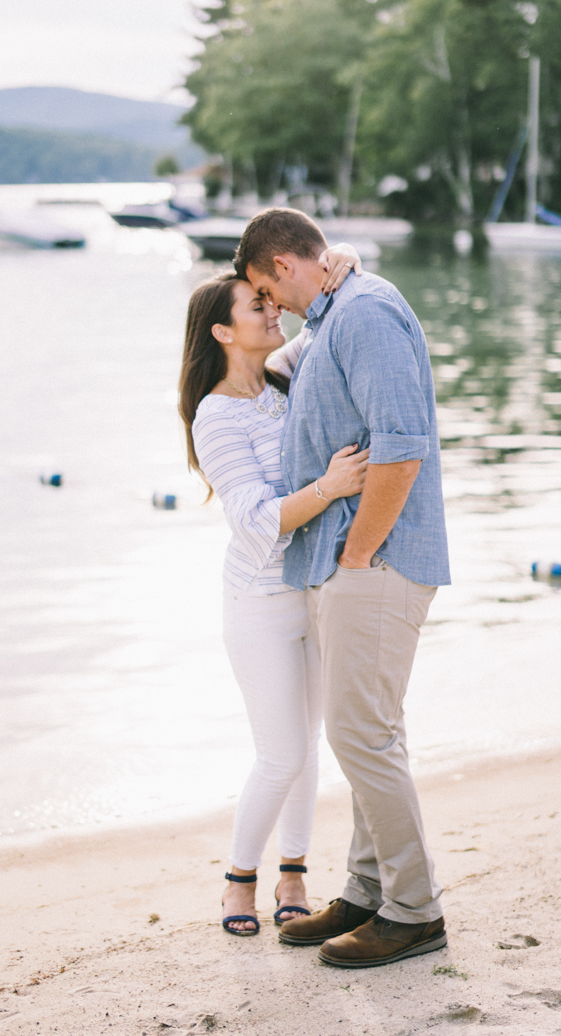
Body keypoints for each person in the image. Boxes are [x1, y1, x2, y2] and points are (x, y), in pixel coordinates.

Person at [234, 208, 451, 968]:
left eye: (268, 289)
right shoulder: (334, 314)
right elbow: (278, 365)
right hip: (346, 560)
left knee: (361, 737)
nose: (272, 304)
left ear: (286, 266)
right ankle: (368, 892)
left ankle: (415, 910)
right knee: (366, 735)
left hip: (377, 560)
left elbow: (401, 447)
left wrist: (358, 553)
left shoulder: (364, 312)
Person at [178, 244, 367, 936]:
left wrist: (341, 256)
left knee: (309, 747)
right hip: (258, 599)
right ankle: (238, 879)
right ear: (222, 333)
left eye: (268, 298)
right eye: (256, 306)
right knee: (280, 752)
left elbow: (326, 314)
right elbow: (255, 519)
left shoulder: (283, 376)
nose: (271, 309)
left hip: (313, 587)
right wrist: (331, 487)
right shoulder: (215, 415)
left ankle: (294, 871)